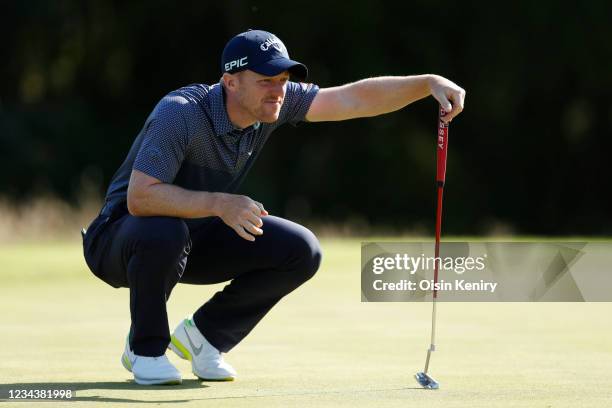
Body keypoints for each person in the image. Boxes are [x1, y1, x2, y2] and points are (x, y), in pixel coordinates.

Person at [82, 29, 465, 385]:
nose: (278, 91)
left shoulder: (273, 105)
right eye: (266, 80)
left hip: (191, 238)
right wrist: (220, 203)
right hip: (121, 239)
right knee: (165, 229)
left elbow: (352, 98)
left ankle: (204, 338)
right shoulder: (180, 112)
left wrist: (426, 84)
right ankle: (144, 349)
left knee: (300, 250)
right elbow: (141, 197)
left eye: (282, 81)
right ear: (230, 82)